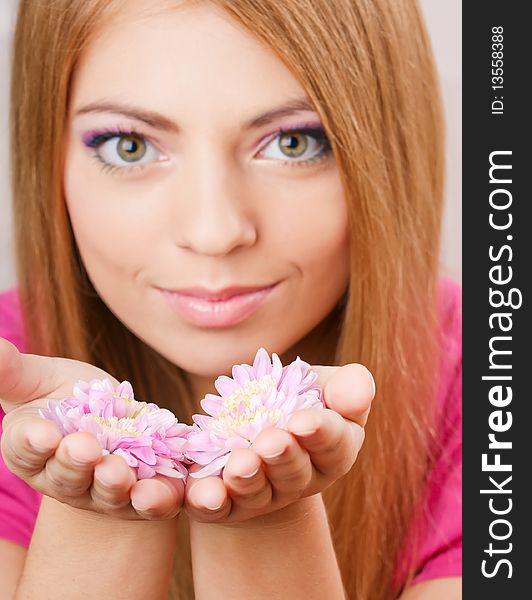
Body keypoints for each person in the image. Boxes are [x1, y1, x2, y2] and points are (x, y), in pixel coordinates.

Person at [0, 0, 462, 598]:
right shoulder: (19, 387)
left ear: (389, 151)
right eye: (129, 146)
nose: (214, 232)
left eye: (294, 143)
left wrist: (266, 514)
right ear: (49, 156)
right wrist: (100, 512)